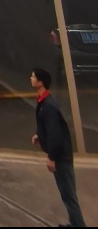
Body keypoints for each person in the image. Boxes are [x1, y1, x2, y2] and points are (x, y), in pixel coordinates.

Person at [30, 66, 86, 227]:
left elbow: (56, 134)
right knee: (67, 194)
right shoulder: (44, 101)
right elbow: (49, 127)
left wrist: (51, 158)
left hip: (61, 157)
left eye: (33, 76)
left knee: (69, 196)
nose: (31, 79)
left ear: (40, 82)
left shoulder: (48, 106)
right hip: (61, 155)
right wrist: (39, 135)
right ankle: (74, 223)